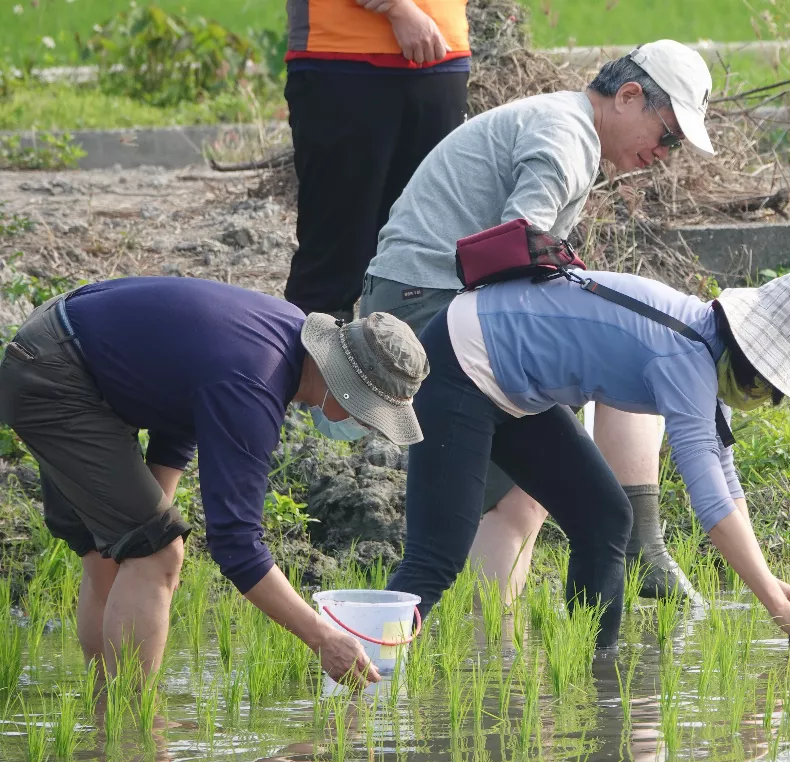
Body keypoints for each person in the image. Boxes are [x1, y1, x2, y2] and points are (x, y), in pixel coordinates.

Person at [361, 39, 716, 606]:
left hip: (429, 299)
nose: (666, 153)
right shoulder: (565, 138)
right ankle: (487, 662)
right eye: (668, 134)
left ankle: (497, 663)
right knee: (509, 506)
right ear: (629, 96)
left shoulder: (569, 127)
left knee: (534, 500)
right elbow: (515, 252)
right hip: (422, 307)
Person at [0, 277, 429, 685]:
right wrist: (322, 637)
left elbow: (182, 397)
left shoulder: (281, 337)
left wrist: (152, 516)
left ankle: (109, 719)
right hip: (58, 377)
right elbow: (237, 544)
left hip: (57, 345)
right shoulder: (255, 383)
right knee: (156, 552)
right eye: (372, 413)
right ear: (347, 386)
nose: (368, 425)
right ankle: (133, 732)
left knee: (115, 554)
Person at [388, 270, 790, 651]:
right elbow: (711, 506)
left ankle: (594, 676)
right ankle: (360, 672)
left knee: (603, 518)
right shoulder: (684, 355)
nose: (762, 399)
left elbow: (726, 478)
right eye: (766, 388)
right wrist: (774, 606)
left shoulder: (709, 348)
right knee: (436, 557)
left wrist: (769, 580)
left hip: (515, 386)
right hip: (463, 362)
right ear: (750, 359)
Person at [283, 0, 471, 320]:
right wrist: (398, 8)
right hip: (343, 58)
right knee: (335, 257)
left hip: (443, 55)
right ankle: (309, 368)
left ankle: (397, 366)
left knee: (423, 256)